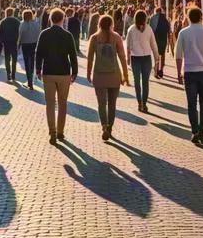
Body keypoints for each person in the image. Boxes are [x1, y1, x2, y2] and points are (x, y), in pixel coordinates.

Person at [175, 6, 203, 145]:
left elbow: (178, 56)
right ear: (201, 17)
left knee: (191, 104)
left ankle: (194, 130)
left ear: (188, 18)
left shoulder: (183, 33)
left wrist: (179, 73)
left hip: (190, 72)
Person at [36, 8, 78, 144]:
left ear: (50, 19)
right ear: (63, 19)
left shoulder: (44, 34)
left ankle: (52, 131)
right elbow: (73, 55)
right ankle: (60, 131)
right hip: (64, 72)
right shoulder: (67, 35)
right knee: (62, 103)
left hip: (48, 72)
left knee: (49, 103)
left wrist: (38, 69)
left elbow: (39, 53)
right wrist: (75, 72)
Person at [87, 13, 128, 142]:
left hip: (99, 75)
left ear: (98, 24)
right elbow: (122, 57)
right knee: (112, 104)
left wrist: (88, 73)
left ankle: (104, 126)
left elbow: (90, 58)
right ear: (112, 24)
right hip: (114, 74)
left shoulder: (94, 38)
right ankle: (110, 127)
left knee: (101, 103)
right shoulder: (117, 37)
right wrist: (125, 75)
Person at [125, 9, 160, 113]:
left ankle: (139, 102)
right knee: (145, 82)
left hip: (135, 58)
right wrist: (157, 58)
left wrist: (128, 57)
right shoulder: (149, 29)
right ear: (145, 18)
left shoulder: (131, 29)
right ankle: (144, 103)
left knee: (137, 81)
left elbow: (128, 45)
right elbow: (153, 44)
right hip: (146, 58)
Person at [17, 8, 43, 90]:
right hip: (34, 44)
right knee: (32, 62)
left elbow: (20, 35)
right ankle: (31, 77)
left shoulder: (22, 24)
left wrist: (18, 45)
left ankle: (29, 81)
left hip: (25, 45)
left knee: (26, 61)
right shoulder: (36, 24)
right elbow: (39, 34)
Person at [0, 7, 22, 83]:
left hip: (6, 42)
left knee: (7, 59)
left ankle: (8, 74)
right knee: (14, 59)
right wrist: (19, 42)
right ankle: (13, 75)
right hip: (14, 42)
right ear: (12, 13)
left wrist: (1, 44)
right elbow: (20, 33)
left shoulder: (3, 21)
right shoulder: (17, 21)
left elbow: (0, 34)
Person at [150, 6, 171, 78]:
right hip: (163, 39)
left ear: (156, 12)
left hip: (155, 40)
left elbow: (151, 30)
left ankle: (156, 71)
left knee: (156, 56)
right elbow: (169, 31)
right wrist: (168, 44)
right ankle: (161, 69)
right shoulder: (165, 19)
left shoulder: (152, 19)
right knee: (162, 55)